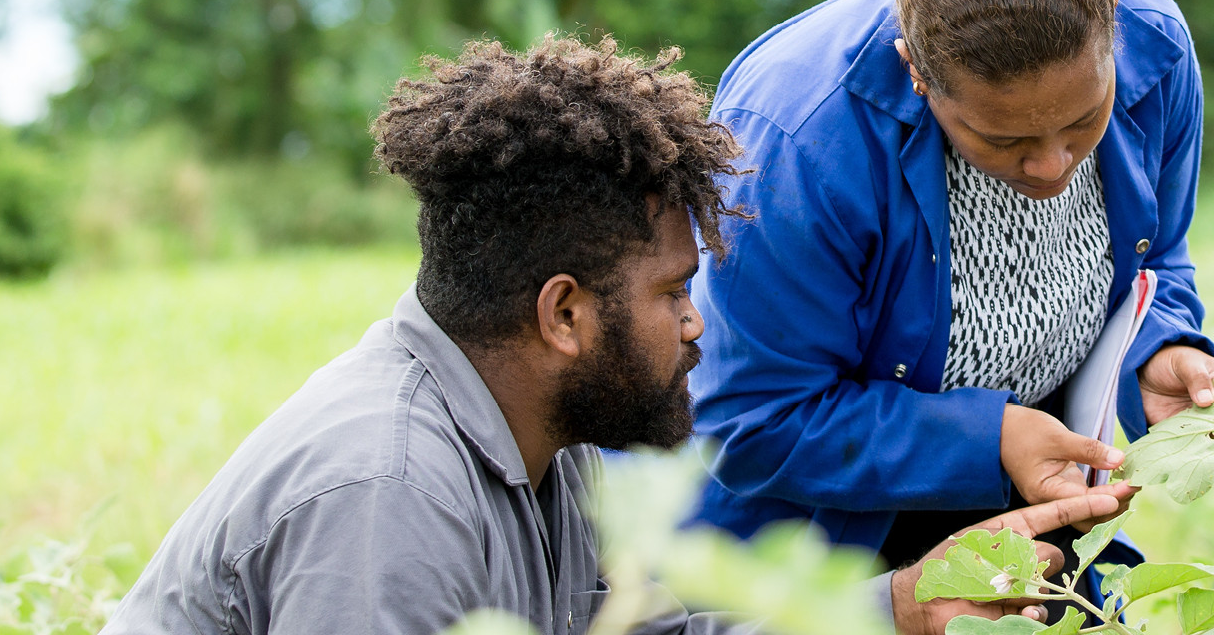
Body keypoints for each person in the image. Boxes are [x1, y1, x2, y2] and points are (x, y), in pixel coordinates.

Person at [102, 35, 1121, 635]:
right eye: (677, 289)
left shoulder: (543, 434)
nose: (697, 325)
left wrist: (902, 600)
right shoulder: (389, 495)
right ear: (564, 313)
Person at [688, 0, 1214, 576]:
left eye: (1085, 121)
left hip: (1024, 506)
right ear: (915, 74)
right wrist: (988, 440)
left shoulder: (1158, 47)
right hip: (819, 551)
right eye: (1002, 138)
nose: (1053, 166)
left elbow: (1157, 261)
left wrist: (1162, 347)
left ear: (1112, 22)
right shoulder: (795, 144)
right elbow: (752, 422)